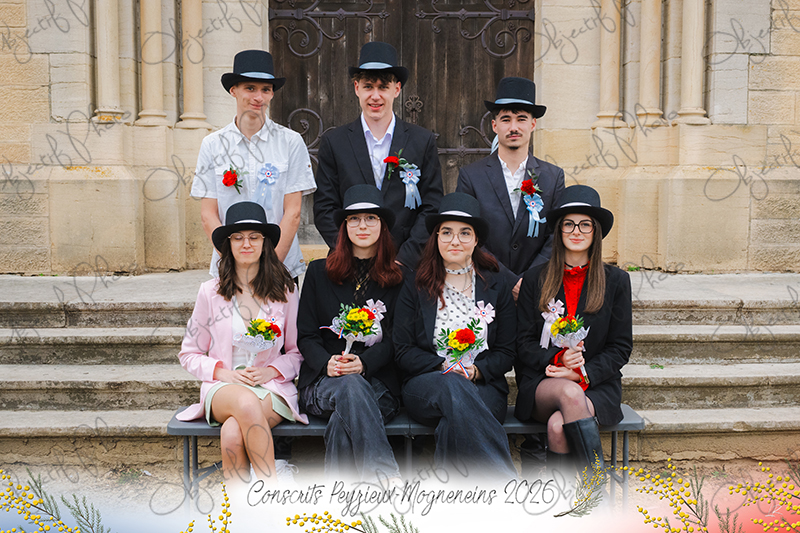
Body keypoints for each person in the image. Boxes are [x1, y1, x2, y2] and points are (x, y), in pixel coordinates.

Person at [177, 202, 308, 485]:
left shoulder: (285, 291)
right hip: (223, 386)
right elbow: (189, 354)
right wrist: (224, 374)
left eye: (254, 237)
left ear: (265, 243)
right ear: (228, 244)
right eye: (237, 237)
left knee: (232, 433)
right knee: (245, 402)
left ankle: (239, 508)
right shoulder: (210, 292)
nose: (246, 244)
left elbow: (297, 352)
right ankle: (273, 491)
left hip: (270, 388)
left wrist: (270, 371)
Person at [393, 193, 517, 480]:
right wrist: (444, 366)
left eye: (464, 233)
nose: (455, 240)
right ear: (436, 238)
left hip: (483, 386)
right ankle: (508, 484)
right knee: (451, 384)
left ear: (476, 240)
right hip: (427, 385)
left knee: (453, 421)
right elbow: (402, 350)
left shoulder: (496, 284)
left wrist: (475, 371)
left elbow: (506, 352)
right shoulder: (415, 284)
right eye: (446, 232)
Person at [515, 185, 632, 474]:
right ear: (558, 231)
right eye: (568, 224)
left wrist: (582, 372)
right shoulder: (535, 278)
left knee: (558, 427)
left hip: (597, 385)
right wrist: (558, 360)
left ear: (596, 231)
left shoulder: (616, 281)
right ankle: (596, 491)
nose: (576, 231)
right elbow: (522, 342)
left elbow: (620, 347)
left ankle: (568, 500)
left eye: (584, 224)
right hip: (544, 383)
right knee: (569, 393)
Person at [297, 185, 404, 482]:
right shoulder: (318, 272)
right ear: (344, 227)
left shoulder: (399, 278)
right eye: (354, 219)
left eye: (371, 218)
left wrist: (365, 363)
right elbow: (306, 334)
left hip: (378, 383)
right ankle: (386, 480)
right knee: (350, 386)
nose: (362, 226)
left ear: (382, 226)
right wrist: (326, 363)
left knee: (342, 422)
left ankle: (339, 500)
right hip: (322, 382)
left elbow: (398, 338)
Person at [314, 41, 444, 269]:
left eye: (383, 87)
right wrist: (350, 253)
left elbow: (432, 205)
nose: (375, 96)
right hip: (349, 264)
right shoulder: (334, 142)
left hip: (404, 265)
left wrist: (405, 258)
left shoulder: (422, 141)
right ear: (357, 88)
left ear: (397, 89)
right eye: (368, 87)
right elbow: (325, 207)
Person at [191, 49, 316, 280]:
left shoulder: (290, 142)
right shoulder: (212, 145)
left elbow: (293, 212)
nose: (258, 97)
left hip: (280, 265)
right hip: (230, 268)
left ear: (272, 94)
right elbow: (208, 214)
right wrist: (234, 264)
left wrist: (271, 266)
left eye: (265, 89)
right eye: (250, 88)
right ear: (233, 90)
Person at [457, 76, 565, 300]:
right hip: (486, 287)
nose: (513, 127)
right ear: (494, 125)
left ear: (533, 124)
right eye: (506, 119)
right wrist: (509, 280)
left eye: (521, 119)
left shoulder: (553, 177)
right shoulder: (471, 176)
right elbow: (467, 233)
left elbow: (555, 236)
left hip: (537, 291)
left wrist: (530, 281)